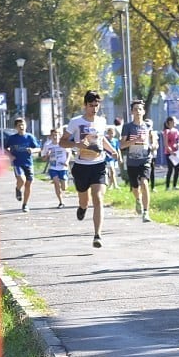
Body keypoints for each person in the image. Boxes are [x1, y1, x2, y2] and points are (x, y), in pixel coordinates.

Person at [60, 90, 121, 248]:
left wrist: (111, 151)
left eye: (96, 105)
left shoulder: (101, 121)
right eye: (91, 105)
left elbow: (102, 140)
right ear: (85, 105)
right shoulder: (75, 122)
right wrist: (76, 144)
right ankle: (82, 207)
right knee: (84, 201)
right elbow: (62, 142)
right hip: (81, 166)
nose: (94, 108)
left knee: (98, 198)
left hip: (99, 165)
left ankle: (97, 235)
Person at [120, 100, 157, 222]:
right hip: (132, 161)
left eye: (140, 109)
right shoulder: (127, 127)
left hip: (145, 159)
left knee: (144, 183)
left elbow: (154, 141)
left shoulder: (148, 126)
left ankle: (146, 213)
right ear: (132, 112)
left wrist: (153, 145)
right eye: (135, 109)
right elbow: (122, 145)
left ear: (144, 111)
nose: (138, 112)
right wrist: (134, 141)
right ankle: (138, 200)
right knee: (135, 188)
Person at [3, 118, 39, 212]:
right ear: (16, 127)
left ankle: (25, 204)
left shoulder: (30, 137)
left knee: (28, 184)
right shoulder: (12, 138)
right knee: (22, 180)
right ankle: (18, 189)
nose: (21, 127)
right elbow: (5, 149)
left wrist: (33, 150)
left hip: (28, 163)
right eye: (19, 125)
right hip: (17, 163)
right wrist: (10, 155)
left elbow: (38, 148)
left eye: (23, 125)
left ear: (26, 126)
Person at [40, 127, 69, 208]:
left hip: (63, 167)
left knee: (64, 187)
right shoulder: (47, 145)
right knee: (56, 183)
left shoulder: (63, 144)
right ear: (50, 136)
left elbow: (69, 153)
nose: (55, 136)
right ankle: (61, 202)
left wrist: (66, 162)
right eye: (53, 135)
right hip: (53, 168)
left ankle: (64, 186)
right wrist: (47, 155)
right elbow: (43, 158)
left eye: (56, 135)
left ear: (60, 135)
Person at [162, 116, 179, 190]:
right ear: (170, 122)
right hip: (169, 153)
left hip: (176, 152)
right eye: (174, 121)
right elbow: (166, 144)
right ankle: (167, 186)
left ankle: (175, 185)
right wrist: (171, 152)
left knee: (177, 169)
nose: (175, 122)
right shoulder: (166, 131)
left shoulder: (176, 131)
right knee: (170, 169)